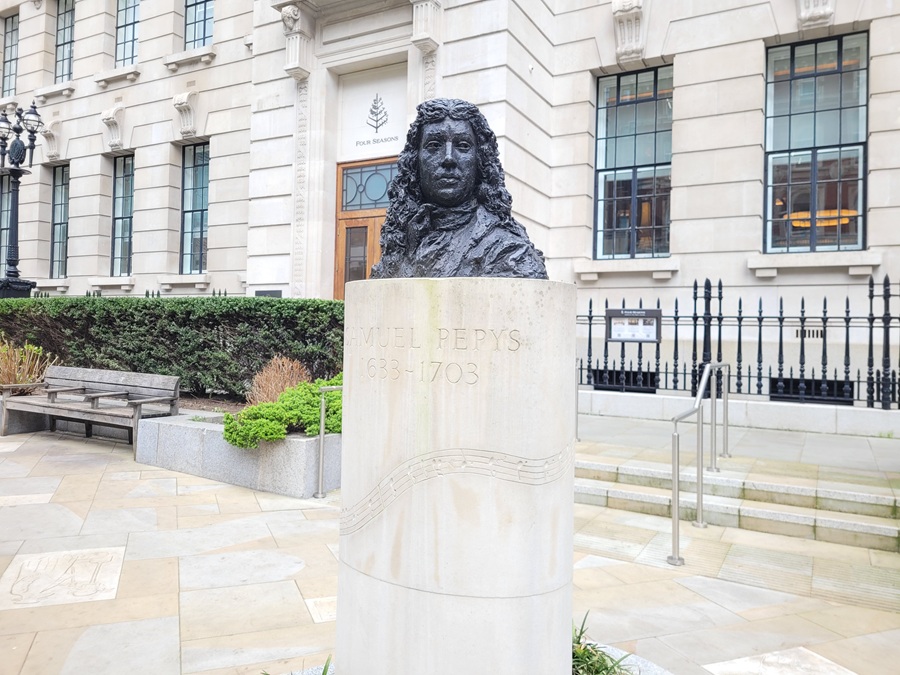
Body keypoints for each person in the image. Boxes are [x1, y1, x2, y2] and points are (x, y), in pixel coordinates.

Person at [370, 98, 548, 279]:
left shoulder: (508, 251)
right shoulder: (402, 237)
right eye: (434, 145)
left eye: (463, 146)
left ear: (480, 160)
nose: (448, 158)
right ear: (415, 161)